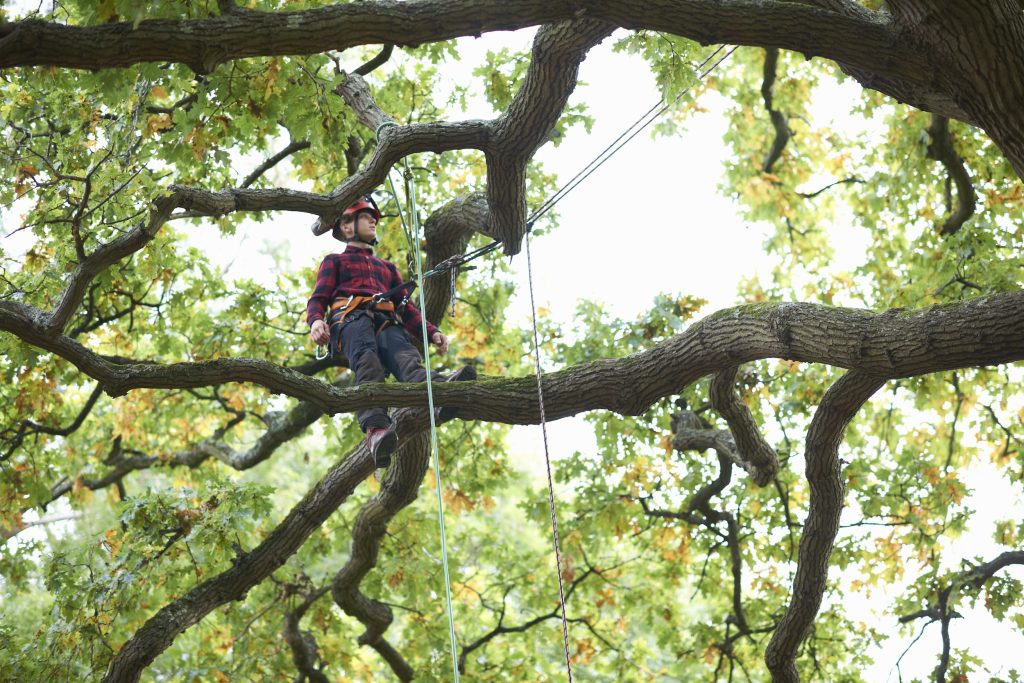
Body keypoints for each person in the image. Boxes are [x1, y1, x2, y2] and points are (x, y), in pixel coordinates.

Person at [307, 196, 474, 469]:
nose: (374, 220)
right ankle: (376, 430)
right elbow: (318, 298)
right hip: (351, 319)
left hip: (387, 321)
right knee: (367, 360)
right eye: (366, 216)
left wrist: (431, 333)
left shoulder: (388, 269)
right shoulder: (334, 262)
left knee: (408, 360)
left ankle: (441, 396)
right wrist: (316, 321)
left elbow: (407, 310)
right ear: (347, 227)